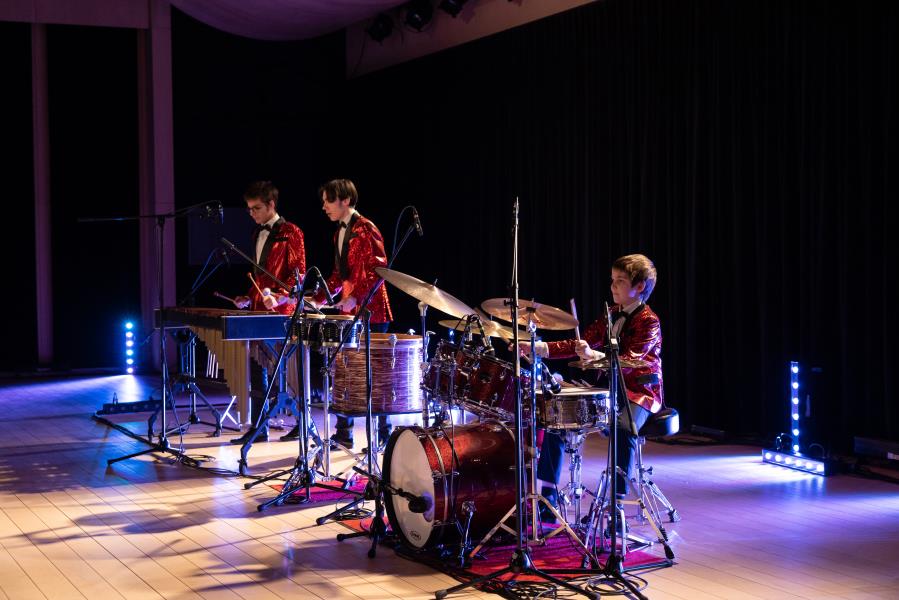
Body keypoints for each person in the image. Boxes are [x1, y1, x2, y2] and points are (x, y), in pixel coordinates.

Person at [520, 254, 663, 521]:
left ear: (640, 286)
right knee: (555, 415)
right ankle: (548, 498)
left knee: (623, 427)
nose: (613, 286)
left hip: (639, 393)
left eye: (620, 281)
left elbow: (630, 360)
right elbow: (581, 343)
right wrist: (539, 348)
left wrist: (593, 355)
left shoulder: (649, 321)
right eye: (612, 280)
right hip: (609, 389)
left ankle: (616, 506)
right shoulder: (611, 314)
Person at [316, 178, 393, 449]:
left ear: (345, 200)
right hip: (350, 312)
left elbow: (379, 271)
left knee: (375, 376)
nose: (324, 206)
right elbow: (339, 276)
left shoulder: (366, 228)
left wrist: (356, 298)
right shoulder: (338, 233)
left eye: (328, 201)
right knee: (345, 372)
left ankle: (384, 435)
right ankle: (344, 434)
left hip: (372, 310)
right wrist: (319, 299)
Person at [230, 181, 306, 444]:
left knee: (288, 370)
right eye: (249, 209)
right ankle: (259, 426)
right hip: (258, 311)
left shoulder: (291, 232)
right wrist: (248, 297)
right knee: (257, 369)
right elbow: (260, 277)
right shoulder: (256, 234)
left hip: (281, 311)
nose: (252, 213)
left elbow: (298, 275)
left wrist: (280, 295)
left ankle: (302, 423)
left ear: (271, 205)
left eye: (257, 208)